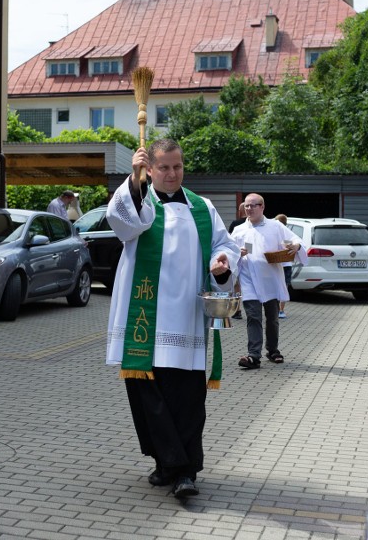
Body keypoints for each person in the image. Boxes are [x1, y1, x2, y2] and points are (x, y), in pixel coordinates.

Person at [105, 138, 240, 499]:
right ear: (151, 168)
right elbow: (122, 222)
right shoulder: (142, 200)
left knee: (186, 398)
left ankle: (185, 471)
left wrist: (222, 265)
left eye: (177, 166)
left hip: (185, 319)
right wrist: (134, 181)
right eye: (163, 167)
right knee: (148, 397)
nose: (171, 173)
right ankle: (166, 464)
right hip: (143, 319)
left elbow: (224, 245)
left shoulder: (202, 207)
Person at [231, 194, 306, 368]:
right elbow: (229, 250)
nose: (249, 209)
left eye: (253, 205)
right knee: (253, 316)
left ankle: (272, 350)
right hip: (249, 279)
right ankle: (253, 355)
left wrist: (296, 246)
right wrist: (237, 253)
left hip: (270, 278)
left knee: (272, 318)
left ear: (262, 207)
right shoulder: (239, 230)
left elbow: (294, 240)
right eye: (247, 206)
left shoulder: (275, 226)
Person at [229, 202, 248, 319]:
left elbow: (229, 241)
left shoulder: (235, 224)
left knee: (236, 285)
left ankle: (237, 310)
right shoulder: (255, 224)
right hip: (250, 259)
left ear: (240, 212)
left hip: (237, 258)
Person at [274, 214, 293, 318]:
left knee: (277, 287)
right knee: (284, 286)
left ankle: (278, 309)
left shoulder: (278, 233)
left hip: (278, 264)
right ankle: (281, 310)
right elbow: (289, 249)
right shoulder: (287, 233)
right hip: (286, 264)